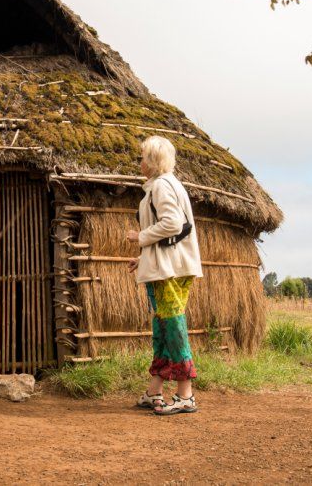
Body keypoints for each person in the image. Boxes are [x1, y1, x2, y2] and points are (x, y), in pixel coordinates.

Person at [125, 135, 203, 415]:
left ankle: (185, 395)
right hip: (169, 266)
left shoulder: (161, 186)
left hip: (170, 271)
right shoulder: (167, 185)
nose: (140, 162)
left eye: (143, 157)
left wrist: (141, 237)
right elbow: (176, 234)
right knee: (162, 328)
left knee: (172, 327)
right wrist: (144, 258)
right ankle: (154, 391)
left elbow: (172, 223)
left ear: (153, 161)